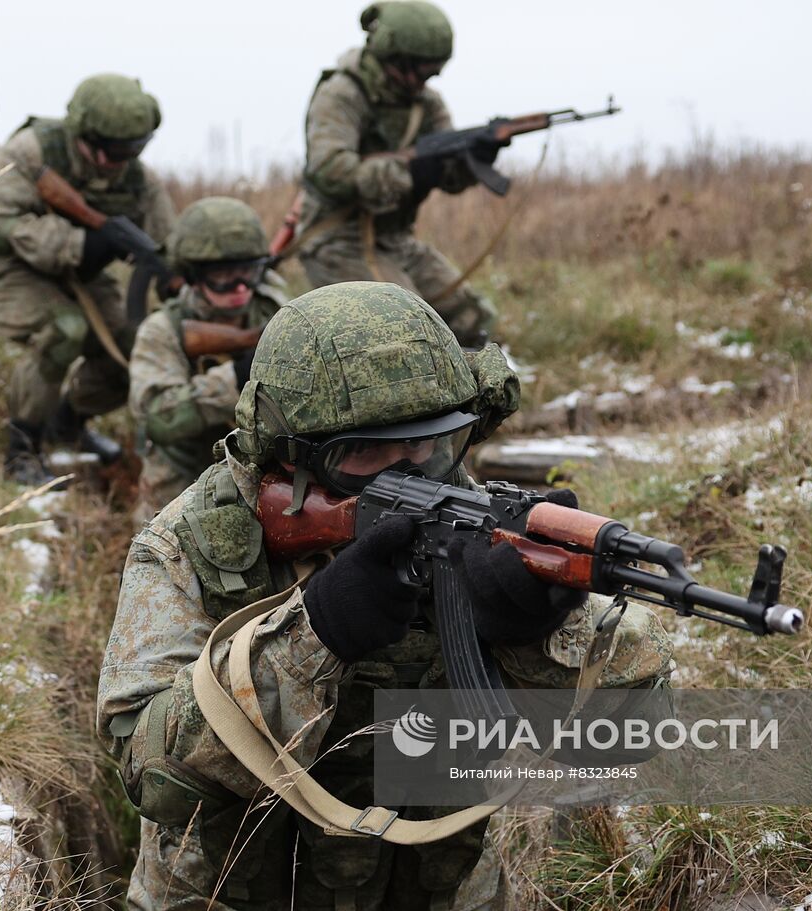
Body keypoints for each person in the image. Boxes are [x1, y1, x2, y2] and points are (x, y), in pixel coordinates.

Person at [97, 282, 674, 910]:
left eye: (431, 443)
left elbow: (636, 741)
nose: (411, 471)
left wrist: (538, 632)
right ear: (289, 458)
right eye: (368, 452)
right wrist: (316, 632)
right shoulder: (194, 546)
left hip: (437, 888)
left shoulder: (479, 532)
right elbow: (151, 774)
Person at [0, 74, 178, 486]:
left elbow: (168, 249)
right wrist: (78, 242)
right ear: (81, 133)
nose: (114, 162)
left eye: (129, 151)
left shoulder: (139, 182)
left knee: (136, 348)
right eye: (105, 150)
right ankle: (23, 450)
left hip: (76, 277)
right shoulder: (32, 151)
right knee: (63, 330)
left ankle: (67, 423)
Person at [295, 1, 498, 348]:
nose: (423, 82)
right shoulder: (342, 95)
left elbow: (447, 175)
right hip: (339, 242)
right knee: (409, 329)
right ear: (392, 57)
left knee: (471, 318)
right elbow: (330, 170)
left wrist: (472, 161)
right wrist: (409, 174)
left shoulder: (427, 104)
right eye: (418, 71)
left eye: (431, 73)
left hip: (396, 241)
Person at [128, 197, 286, 527]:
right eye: (224, 276)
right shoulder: (163, 331)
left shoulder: (277, 310)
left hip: (262, 461)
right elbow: (159, 417)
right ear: (193, 276)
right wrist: (234, 377)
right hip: (184, 467)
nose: (241, 287)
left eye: (249, 271)